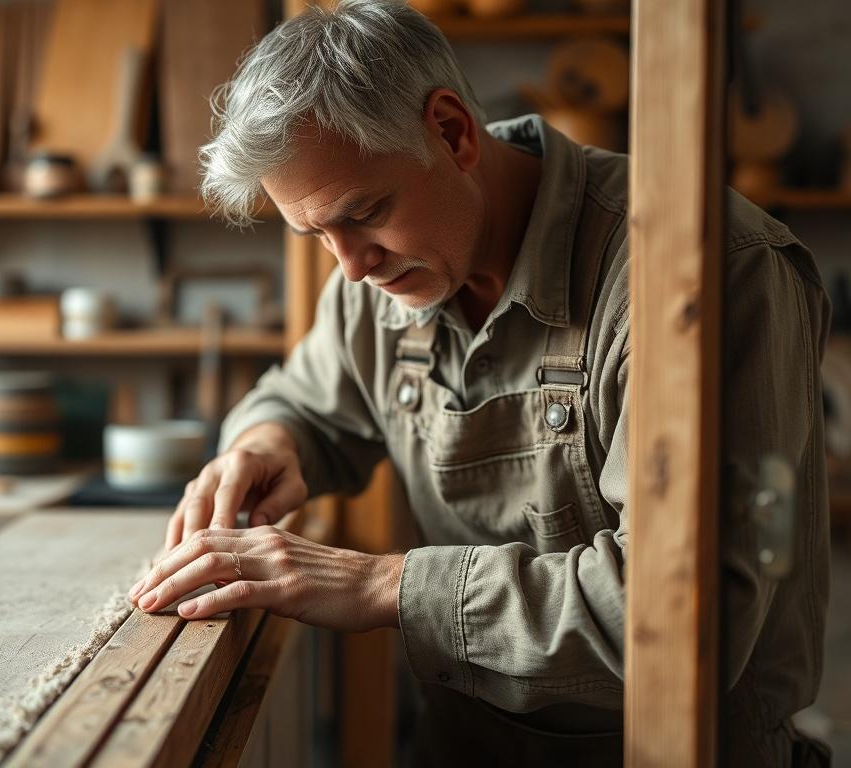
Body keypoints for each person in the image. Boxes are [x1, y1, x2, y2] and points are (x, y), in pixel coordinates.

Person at [128, 1, 831, 764]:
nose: (350, 266)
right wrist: (268, 441)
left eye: (364, 213)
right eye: (315, 235)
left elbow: (678, 615)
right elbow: (303, 397)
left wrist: (381, 587)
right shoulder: (376, 277)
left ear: (454, 131)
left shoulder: (708, 278)